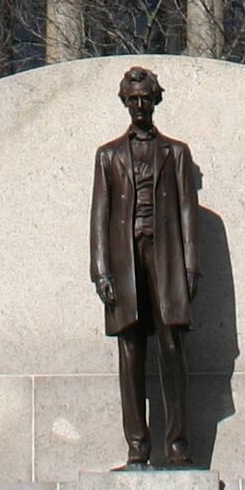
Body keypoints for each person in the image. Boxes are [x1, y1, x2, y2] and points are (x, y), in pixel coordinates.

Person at [88, 66, 200, 467]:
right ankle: (137, 448)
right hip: (124, 260)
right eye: (132, 99)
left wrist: (190, 269)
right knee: (130, 350)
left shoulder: (177, 153)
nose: (139, 106)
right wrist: (101, 271)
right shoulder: (108, 155)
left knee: (173, 348)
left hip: (167, 256)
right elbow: (99, 216)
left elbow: (188, 211)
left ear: (156, 101)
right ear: (124, 102)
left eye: (145, 99)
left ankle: (178, 445)